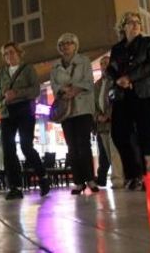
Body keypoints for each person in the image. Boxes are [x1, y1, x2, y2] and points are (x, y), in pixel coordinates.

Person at [106, 12, 150, 190]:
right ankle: (133, 174)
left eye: (138, 22)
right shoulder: (117, 48)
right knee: (119, 134)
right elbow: (111, 69)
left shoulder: (148, 42)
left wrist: (129, 78)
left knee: (147, 135)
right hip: (123, 94)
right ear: (123, 27)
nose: (136, 24)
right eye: (131, 22)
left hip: (145, 93)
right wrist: (119, 80)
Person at [0, 42, 51, 200]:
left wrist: (16, 93)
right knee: (8, 149)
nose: (9, 56)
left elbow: (35, 90)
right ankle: (15, 187)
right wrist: (3, 96)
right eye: (6, 54)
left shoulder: (28, 69)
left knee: (26, 146)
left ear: (19, 53)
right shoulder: (1, 73)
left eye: (11, 52)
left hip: (25, 110)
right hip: (6, 112)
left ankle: (43, 176)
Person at [50, 33, 98, 195]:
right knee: (72, 145)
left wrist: (74, 90)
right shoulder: (55, 66)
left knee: (84, 144)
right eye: (62, 44)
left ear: (75, 45)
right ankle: (78, 182)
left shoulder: (84, 61)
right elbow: (54, 85)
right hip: (66, 110)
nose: (65, 46)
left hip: (82, 107)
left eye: (69, 43)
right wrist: (62, 90)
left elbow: (89, 82)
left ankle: (90, 179)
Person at [94, 56, 125, 189]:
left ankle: (118, 179)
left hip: (114, 121)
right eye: (101, 63)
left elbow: (118, 99)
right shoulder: (97, 84)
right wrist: (97, 116)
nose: (104, 65)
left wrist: (108, 115)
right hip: (102, 124)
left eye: (106, 63)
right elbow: (93, 104)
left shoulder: (116, 80)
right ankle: (118, 177)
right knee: (107, 153)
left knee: (115, 152)